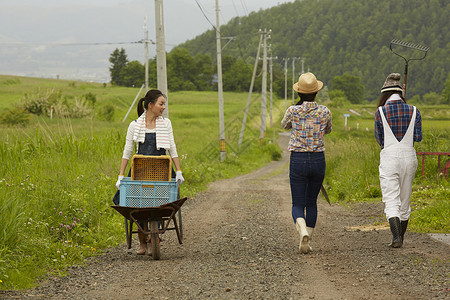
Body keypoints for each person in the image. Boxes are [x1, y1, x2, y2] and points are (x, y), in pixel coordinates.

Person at [114, 89, 184, 255]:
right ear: (150, 105)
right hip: (141, 169)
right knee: (137, 203)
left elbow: (172, 147)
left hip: (162, 168)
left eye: (164, 104)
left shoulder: (166, 123)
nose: (163, 107)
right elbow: (127, 151)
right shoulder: (134, 125)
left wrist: (179, 170)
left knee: (161, 202)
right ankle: (142, 241)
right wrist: (121, 175)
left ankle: (155, 239)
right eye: (161, 104)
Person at [281, 72, 332, 254]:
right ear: (316, 92)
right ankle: (307, 240)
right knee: (312, 203)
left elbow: (284, 125)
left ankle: (301, 229)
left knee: (297, 203)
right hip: (318, 159)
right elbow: (328, 130)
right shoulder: (325, 111)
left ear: (299, 93)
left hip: (298, 159)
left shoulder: (293, 111)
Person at [374, 73, 422, 248]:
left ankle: (396, 238)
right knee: (405, 198)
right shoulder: (414, 110)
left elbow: (380, 140)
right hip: (409, 156)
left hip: (389, 157)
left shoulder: (380, 112)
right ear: (401, 92)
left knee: (391, 198)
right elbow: (418, 136)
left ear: (385, 94)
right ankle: (400, 236)